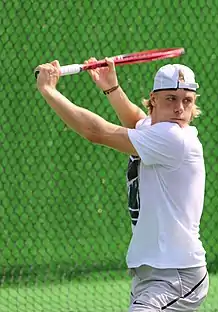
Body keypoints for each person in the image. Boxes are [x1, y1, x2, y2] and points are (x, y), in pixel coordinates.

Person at [35, 58, 209, 311]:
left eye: (187, 100)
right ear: (154, 100)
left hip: (178, 275)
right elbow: (137, 120)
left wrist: (49, 91)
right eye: (171, 98)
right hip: (152, 273)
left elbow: (97, 132)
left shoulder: (176, 139)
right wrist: (111, 88)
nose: (180, 108)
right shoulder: (158, 129)